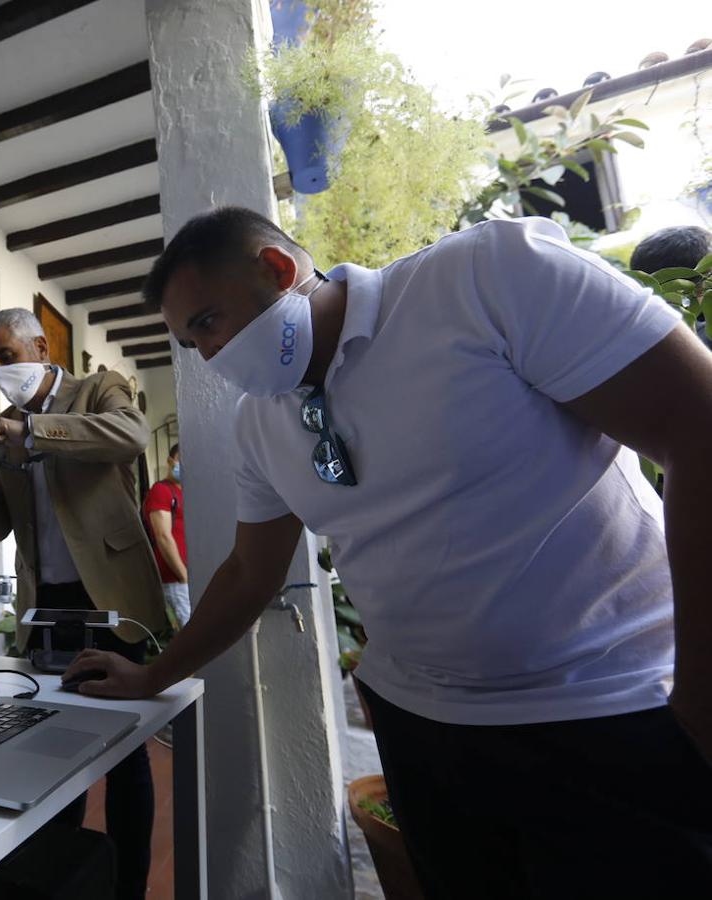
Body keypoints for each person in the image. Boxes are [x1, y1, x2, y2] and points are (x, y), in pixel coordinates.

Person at [63, 207, 712, 898]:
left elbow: (696, 423)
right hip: (426, 736)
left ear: (278, 270)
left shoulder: (483, 278)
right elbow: (250, 573)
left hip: (607, 713)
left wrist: (701, 703)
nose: (212, 356)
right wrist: (151, 676)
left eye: (208, 323)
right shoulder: (259, 425)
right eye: (193, 345)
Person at [0, 307, 167, 900]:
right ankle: (60, 875)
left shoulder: (98, 388)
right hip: (48, 602)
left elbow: (132, 434)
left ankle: (130, 887)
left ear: (41, 345)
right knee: (53, 743)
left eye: (7, 356)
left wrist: (35, 433)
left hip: (111, 592)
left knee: (125, 751)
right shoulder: (6, 425)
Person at [143, 443, 190, 626]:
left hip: (188, 578)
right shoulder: (162, 490)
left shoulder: (186, 492)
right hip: (176, 579)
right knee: (191, 632)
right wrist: (183, 576)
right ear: (171, 461)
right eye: (181, 460)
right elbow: (163, 536)